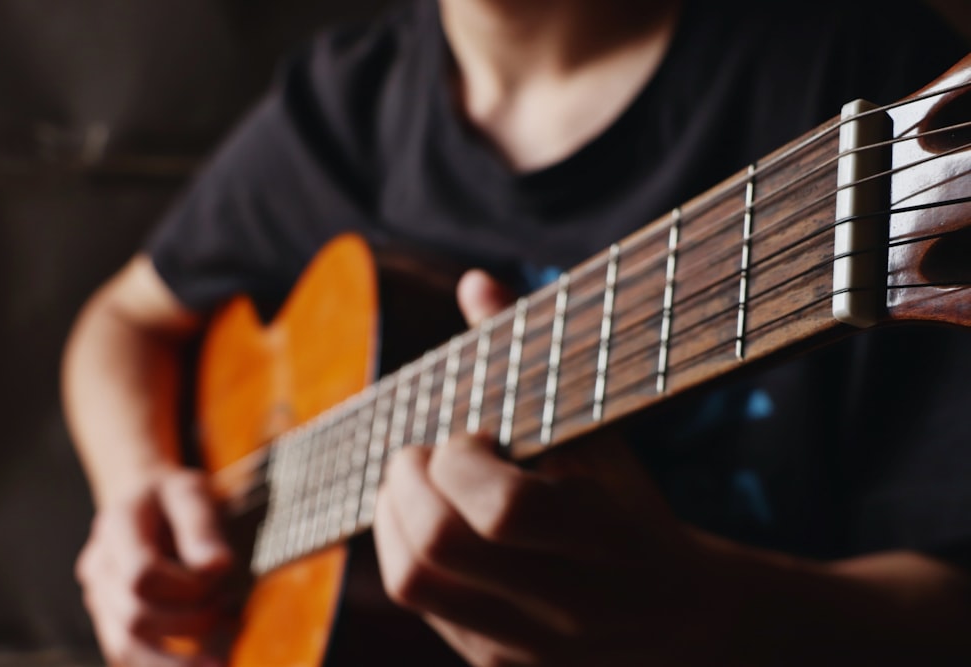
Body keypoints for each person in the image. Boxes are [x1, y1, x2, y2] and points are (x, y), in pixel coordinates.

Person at [62, 0, 971, 664]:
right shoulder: (341, 102)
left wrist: (706, 616)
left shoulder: (865, 69)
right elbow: (122, 320)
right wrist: (134, 488)